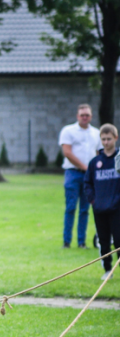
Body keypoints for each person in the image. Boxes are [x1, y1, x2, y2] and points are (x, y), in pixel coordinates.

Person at [59, 104, 101, 249]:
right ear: (77, 116)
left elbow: (98, 153)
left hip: (90, 176)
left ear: (91, 116)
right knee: (71, 207)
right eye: (82, 115)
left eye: (87, 115)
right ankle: (67, 241)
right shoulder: (68, 131)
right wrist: (85, 167)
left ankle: (81, 242)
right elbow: (67, 152)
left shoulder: (96, 133)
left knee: (85, 209)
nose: (85, 118)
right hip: (73, 173)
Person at [84, 124, 120, 280]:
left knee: (118, 240)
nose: (106, 142)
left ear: (115, 138)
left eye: (109, 139)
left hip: (117, 208)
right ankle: (107, 270)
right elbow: (87, 183)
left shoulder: (119, 159)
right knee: (103, 241)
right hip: (100, 208)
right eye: (103, 139)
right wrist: (93, 200)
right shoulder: (95, 162)